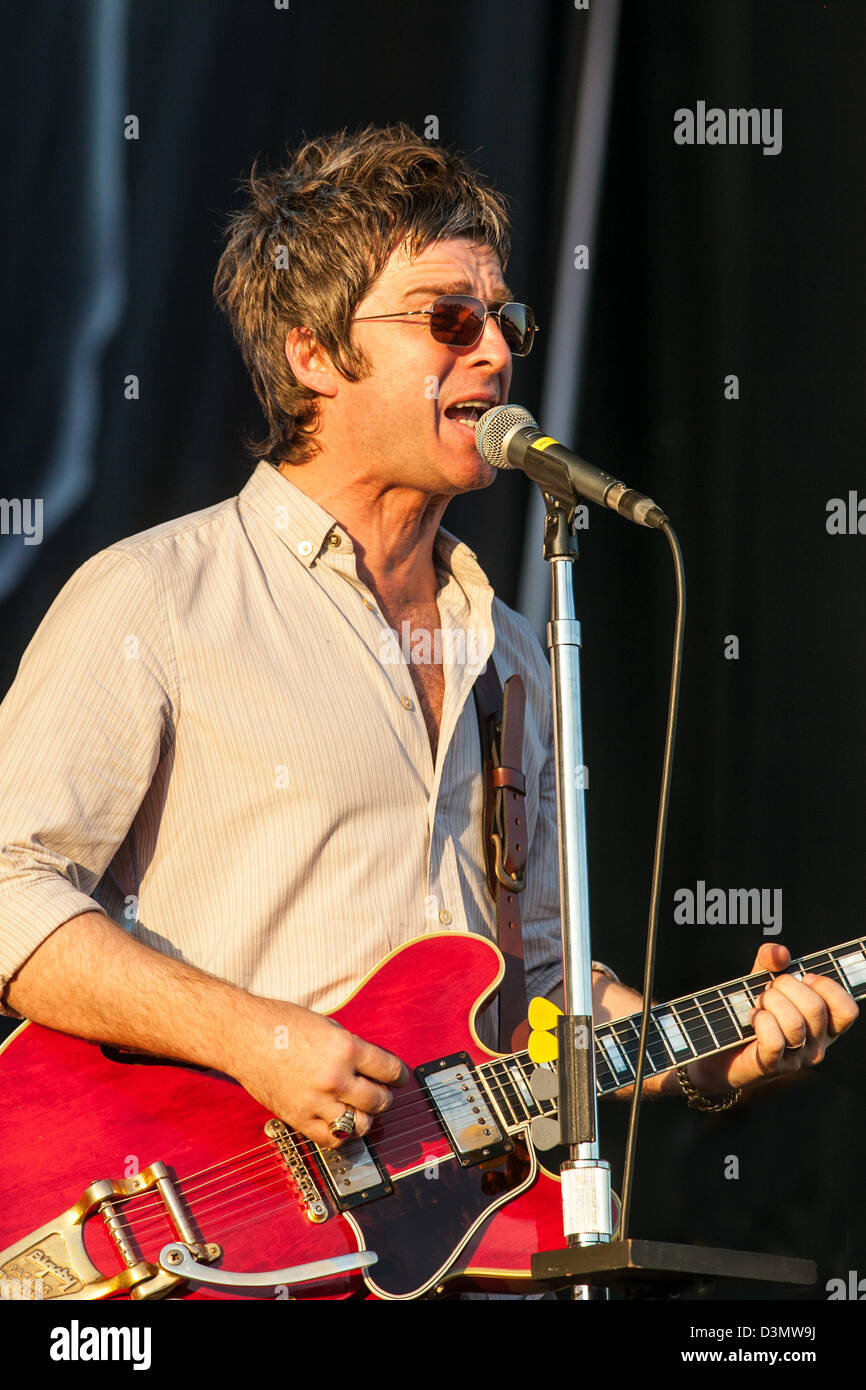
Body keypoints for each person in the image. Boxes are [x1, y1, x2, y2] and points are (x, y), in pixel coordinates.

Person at [0, 125, 856, 1202]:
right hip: (209, 1224)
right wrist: (251, 1036)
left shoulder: (508, 655)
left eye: (503, 320)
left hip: (439, 1245)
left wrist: (715, 1053)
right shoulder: (158, 594)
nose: (495, 353)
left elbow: (536, 995)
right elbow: (9, 887)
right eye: (450, 318)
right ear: (312, 353)